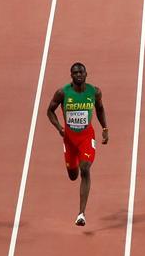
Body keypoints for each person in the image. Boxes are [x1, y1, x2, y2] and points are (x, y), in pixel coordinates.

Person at [46, 63, 108, 226]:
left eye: (81, 72)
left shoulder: (94, 92)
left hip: (86, 138)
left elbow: (100, 109)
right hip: (69, 140)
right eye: (75, 73)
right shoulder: (62, 93)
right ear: (71, 75)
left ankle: (81, 214)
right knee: (73, 176)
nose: (79, 75)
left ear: (86, 74)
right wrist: (59, 128)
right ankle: (73, 166)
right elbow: (50, 111)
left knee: (85, 169)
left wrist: (105, 128)